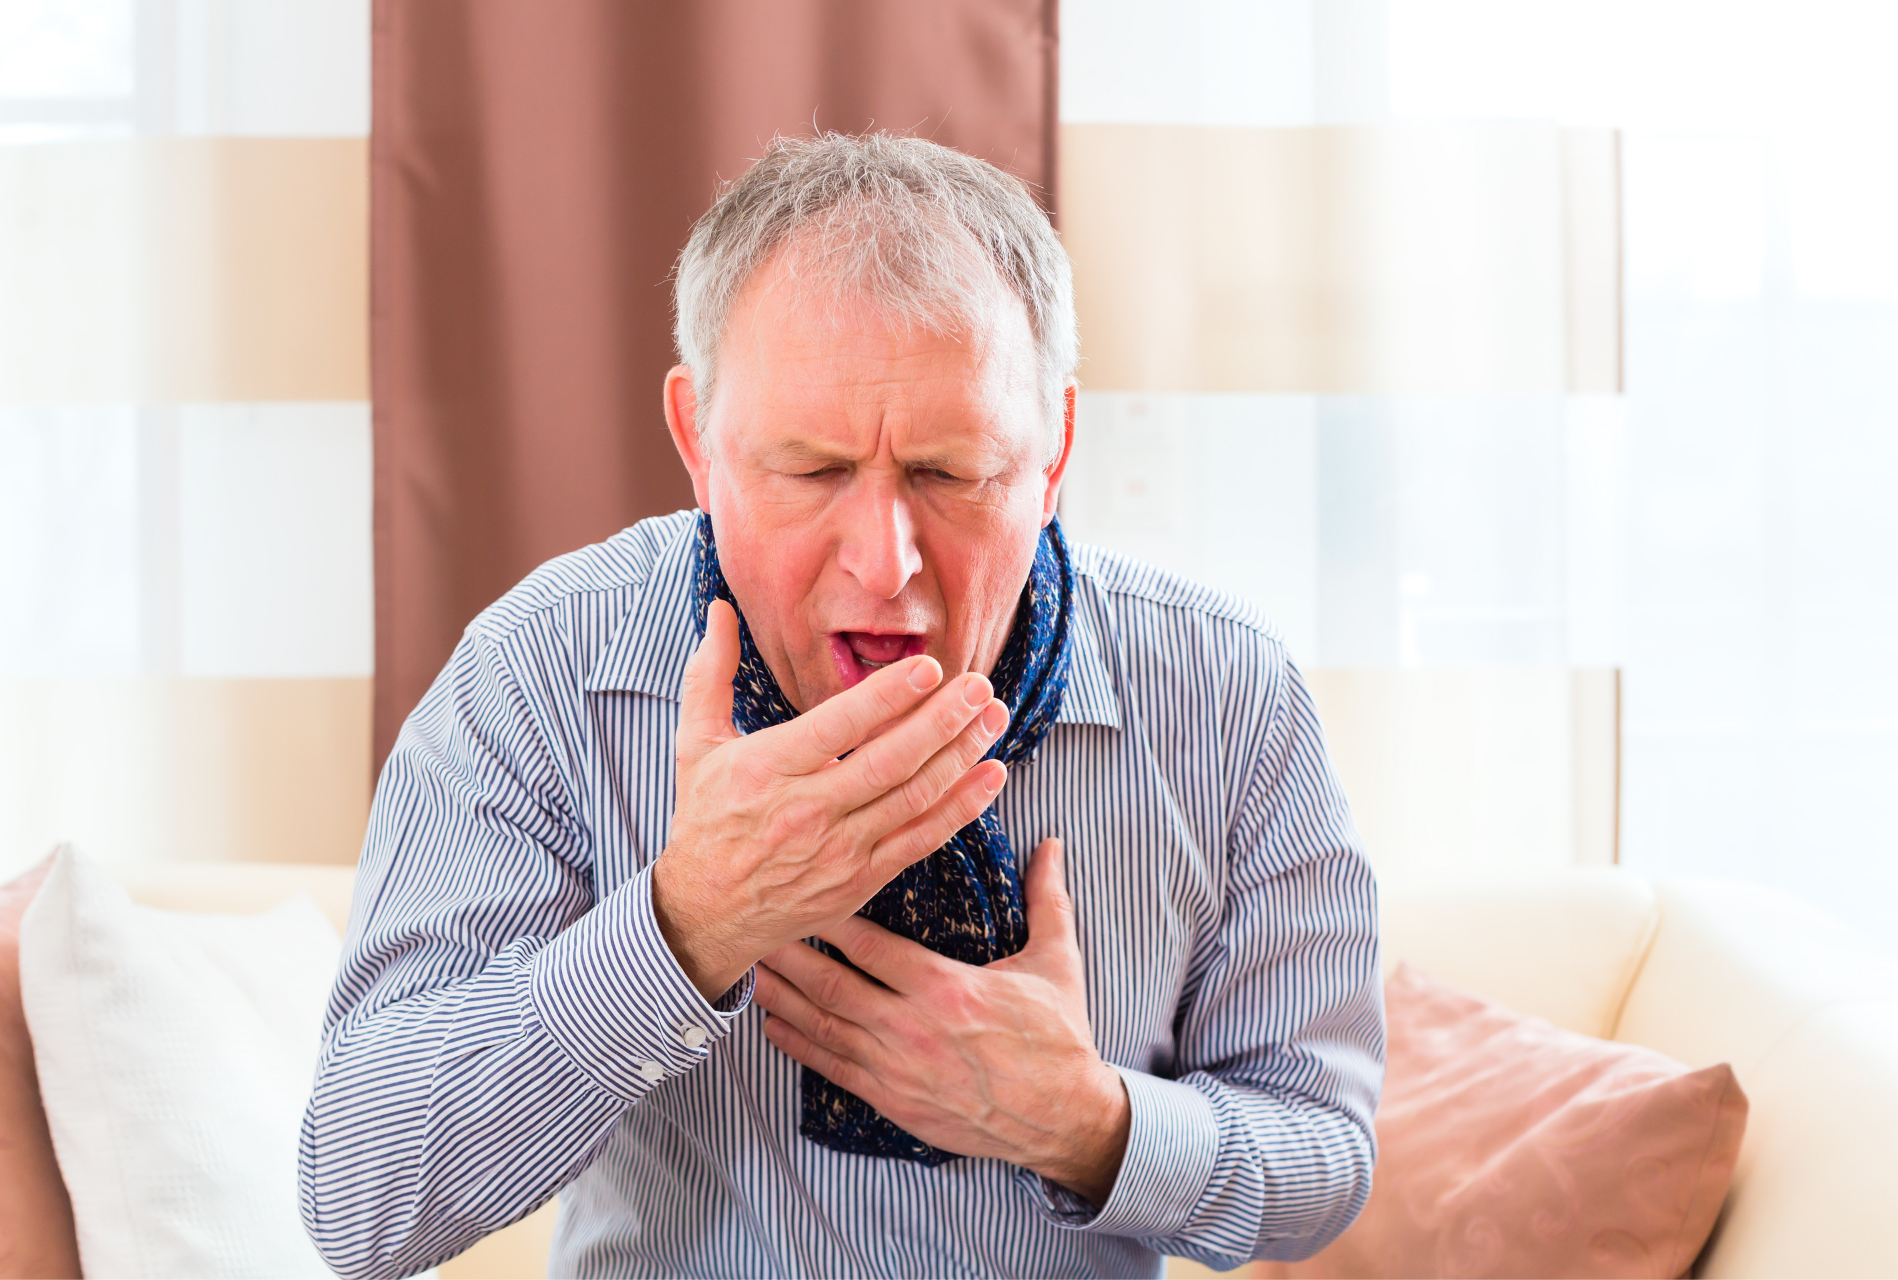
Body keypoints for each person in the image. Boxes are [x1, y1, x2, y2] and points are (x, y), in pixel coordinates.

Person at [301, 133, 1383, 1280]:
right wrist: (689, 920)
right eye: (811, 470)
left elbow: (1324, 1157)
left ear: (1056, 445)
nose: (884, 561)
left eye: (951, 470)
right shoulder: (543, 672)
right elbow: (363, 1200)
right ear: (697, 442)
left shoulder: (1229, 696)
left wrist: (1081, 1119)